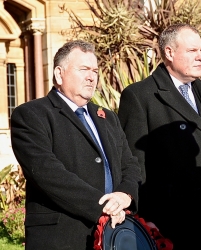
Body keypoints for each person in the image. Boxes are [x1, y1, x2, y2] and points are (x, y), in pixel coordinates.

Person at [10, 40, 142, 250]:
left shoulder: (107, 117)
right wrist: (104, 206)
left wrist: (125, 195)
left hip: (114, 235)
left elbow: (130, 164)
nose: (91, 77)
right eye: (83, 69)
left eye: (95, 71)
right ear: (59, 74)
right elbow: (47, 172)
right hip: (61, 237)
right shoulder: (31, 115)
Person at [117, 23, 201, 250]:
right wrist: (144, 219)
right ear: (169, 53)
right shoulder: (140, 96)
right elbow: (134, 164)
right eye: (192, 51)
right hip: (174, 224)